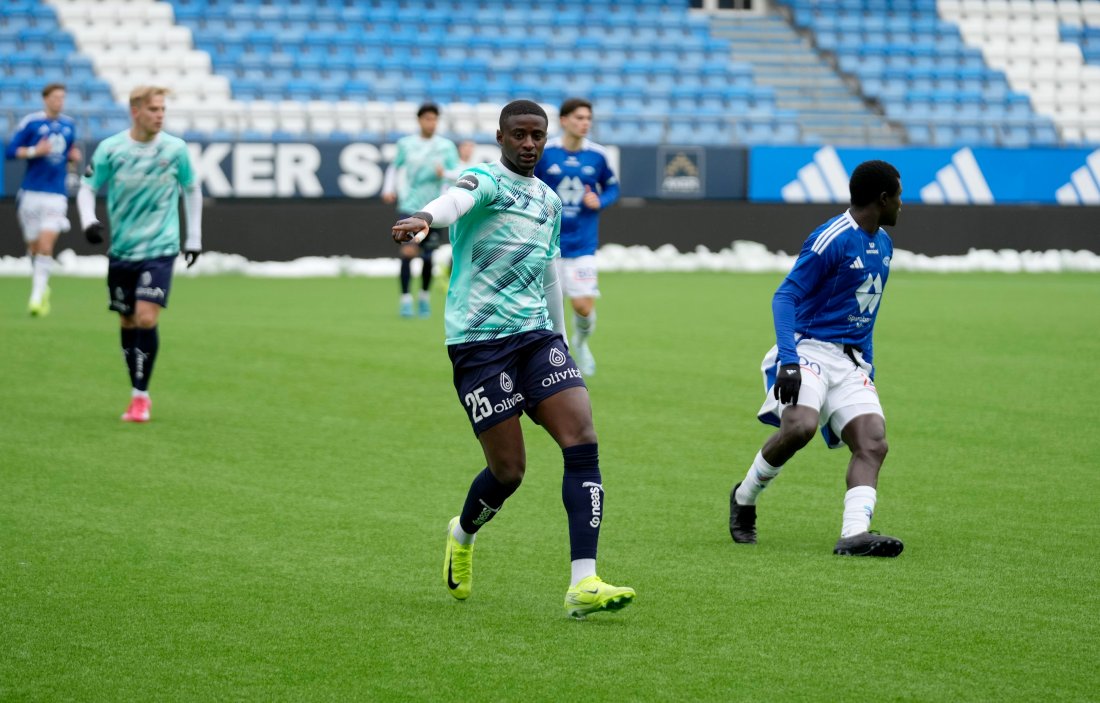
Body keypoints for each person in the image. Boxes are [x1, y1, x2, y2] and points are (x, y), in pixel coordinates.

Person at [391, 100, 635, 619]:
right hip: (479, 346)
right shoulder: (483, 181)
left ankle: (583, 580)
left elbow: (551, 275)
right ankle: (462, 532)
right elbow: (453, 203)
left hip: (536, 339)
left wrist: (561, 340)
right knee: (508, 472)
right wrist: (423, 219)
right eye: (519, 135)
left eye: (536, 136)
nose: (529, 144)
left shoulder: (549, 201)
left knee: (583, 440)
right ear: (500, 136)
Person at [729, 160, 905, 558]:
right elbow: (785, 296)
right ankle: (744, 497)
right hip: (807, 349)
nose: (901, 204)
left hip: (851, 361)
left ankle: (854, 535)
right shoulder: (832, 238)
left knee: (873, 442)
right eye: (898, 195)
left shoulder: (885, 246)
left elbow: (865, 316)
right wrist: (788, 361)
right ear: (882, 198)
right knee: (800, 428)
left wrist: (867, 366)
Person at [76, 86, 202, 423]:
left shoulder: (175, 149)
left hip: (160, 249)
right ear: (135, 112)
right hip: (123, 251)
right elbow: (86, 187)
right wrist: (89, 222)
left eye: (162, 109)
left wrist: (193, 238)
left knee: (146, 317)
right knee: (127, 319)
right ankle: (135, 388)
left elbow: (191, 188)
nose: (160, 115)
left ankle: (141, 396)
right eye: (153, 110)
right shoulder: (112, 149)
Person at [533, 98, 620, 376]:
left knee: (582, 306)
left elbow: (613, 187)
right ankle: (558, 359)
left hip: (583, 242)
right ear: (564, 120)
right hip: (549, 243)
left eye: (588, 118)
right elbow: (530, 184)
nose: (585, 123)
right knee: (549, 309)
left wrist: (601, 200)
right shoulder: (547, 153)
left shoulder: (598, 155)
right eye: (580, 118)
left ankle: (581, 344)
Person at [4, 83, 81, 316]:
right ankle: (42, 285)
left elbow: (66, 154)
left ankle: (36, 296)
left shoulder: (69, 125)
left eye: (63, 97)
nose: (60, 101)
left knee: (46, 245)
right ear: (45, 99)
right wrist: (34, 151)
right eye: (56, 97)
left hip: (56, 194)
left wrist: (72, 158)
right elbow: (10, 152)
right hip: (31, 192)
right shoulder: (32, 122)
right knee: (34, 246)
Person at [382, 103, 459, 318]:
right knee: (407, 252)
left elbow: (458, 172)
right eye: (427, 119)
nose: (431, 123)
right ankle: (406, 299)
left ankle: (424, 296)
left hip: (434, 209)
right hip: (409, 206)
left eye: (434, 119)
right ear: (419, 121)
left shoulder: (446, 146)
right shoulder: (406, 144)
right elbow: (394, 166)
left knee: (428, 257)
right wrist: (388, 188)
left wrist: (445, 172)